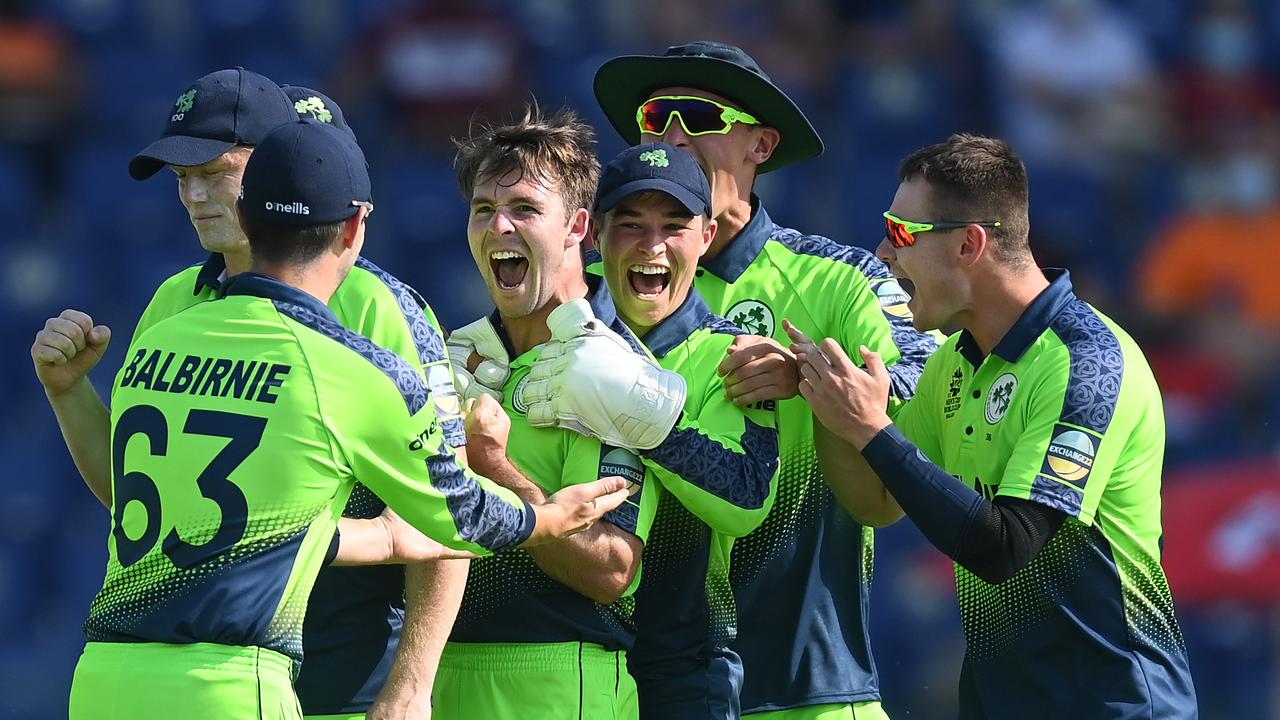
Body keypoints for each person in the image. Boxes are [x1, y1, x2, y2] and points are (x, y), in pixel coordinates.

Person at [65, 117, 629, 720]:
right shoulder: (347, 369)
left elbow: (222, 522)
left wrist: (379, 538)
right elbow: (458, 514)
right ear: (357, 227)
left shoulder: (163, 335)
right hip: (230, 682)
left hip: (103, 677)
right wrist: (546, 516)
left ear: (247, 223)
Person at [29, 68, 466, 719]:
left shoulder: (380, 307)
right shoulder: (174, 301)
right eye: (185, 178)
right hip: (206, 676)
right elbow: (133, 495)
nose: (196, 196)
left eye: (215, 173)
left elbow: (449, 514)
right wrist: (70, 395)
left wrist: (411, 684)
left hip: (348, 678)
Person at [789, 133, 1197, 718]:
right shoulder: (954, 361)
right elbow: (878, 500)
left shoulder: (1086, 364)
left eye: (902, 233)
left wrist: (871, 428)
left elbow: (1007, 548)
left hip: (1114, 705)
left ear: (969, 244)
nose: (883, 251)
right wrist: (824, 400)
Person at [590, 41, 939, 719]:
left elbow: (919, 392)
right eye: (656, 116)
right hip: (615, 686)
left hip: (802, 685)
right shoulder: (588, 293)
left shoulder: (838, 280)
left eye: (697, 115)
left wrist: (812, 375)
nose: (672, 134)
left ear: (761, 144)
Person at [432, 105, 666, 720]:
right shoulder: (451, 358)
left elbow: (613, 569)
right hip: (436, 669)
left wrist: (492, 468)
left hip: (561, 676)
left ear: (577, 226)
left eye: (526, 210)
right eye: (484, 209)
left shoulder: (619, 372)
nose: (499, 225)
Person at [563, 141, 781, 718]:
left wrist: (637, 413)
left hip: (688, 675)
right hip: (566, 666)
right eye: (629, 224)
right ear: (595, 235)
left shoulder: (734, 356)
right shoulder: (553, 340)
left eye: (674, 226)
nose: (651, 245)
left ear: (706, 237)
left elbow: (745, 499)